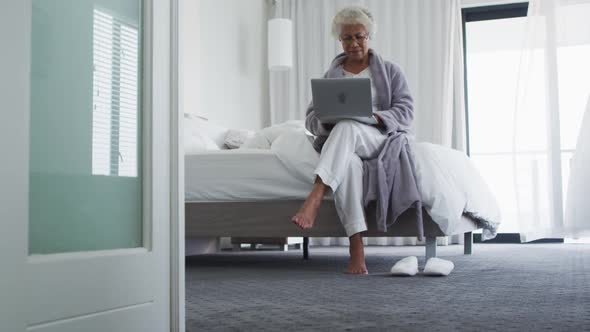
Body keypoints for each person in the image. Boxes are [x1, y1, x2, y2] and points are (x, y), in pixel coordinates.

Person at [291, 6, 414, 275]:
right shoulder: (331, 76)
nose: (354, 43)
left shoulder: (390, 71)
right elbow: (311, 118)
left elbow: (406, 112)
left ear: (368, 36)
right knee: (346, 163)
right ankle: (356, 248)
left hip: (377, 138)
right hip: (343, 141)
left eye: (359, 36)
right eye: (347, 38)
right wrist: (327, 120)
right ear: (340, 40)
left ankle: (316, 194)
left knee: (349, 125)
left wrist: (372, 116)